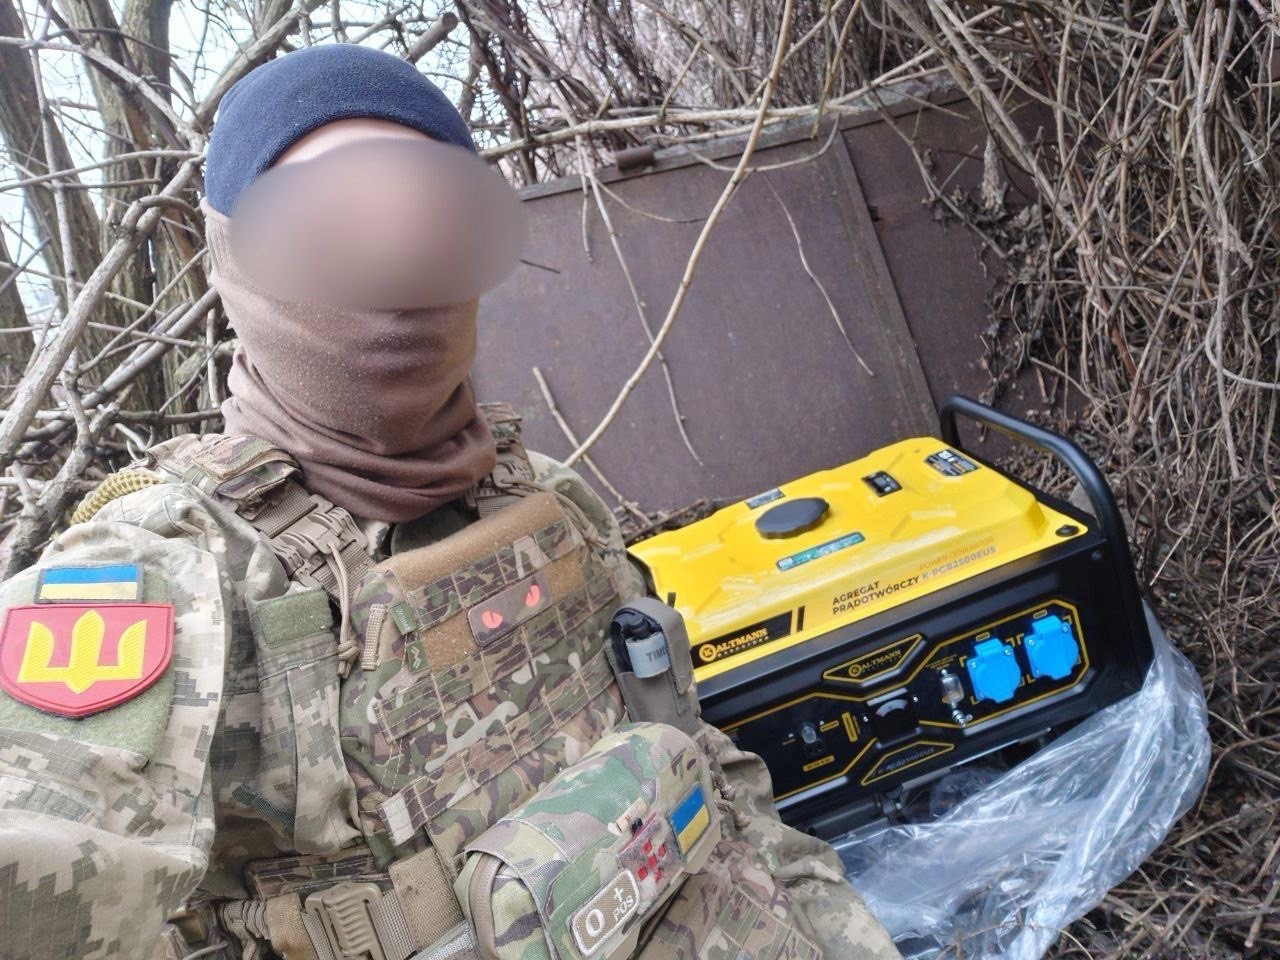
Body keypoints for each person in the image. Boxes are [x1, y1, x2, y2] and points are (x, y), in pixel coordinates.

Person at [0, 44, 900, 960]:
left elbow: (707, 773)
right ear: (235, 259)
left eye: (426, 214)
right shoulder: (163, 573)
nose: (392, 259)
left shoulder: (547, 496)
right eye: (326, 222)